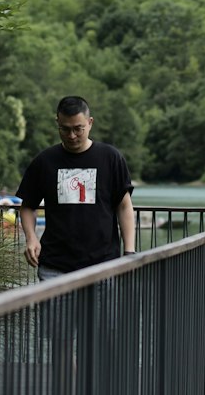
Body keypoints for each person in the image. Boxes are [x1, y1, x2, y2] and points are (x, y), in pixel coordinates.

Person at [17, 95, 135, 279]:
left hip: (104, 266)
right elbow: (27, 205)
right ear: (57, 122)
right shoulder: (44, 161)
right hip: (54, 266)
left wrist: (129, 253)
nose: (71, 136)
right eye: (64, 129)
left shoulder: (111, 158)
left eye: (78, 129)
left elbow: (124, 206)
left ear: (90, 123)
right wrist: (31, 238)